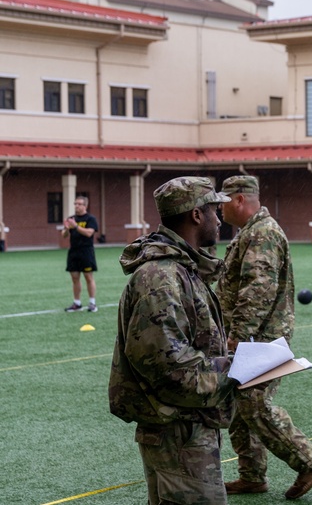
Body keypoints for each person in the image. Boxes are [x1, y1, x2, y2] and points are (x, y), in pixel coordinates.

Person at [108, 176, 237, 505]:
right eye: (214, 210)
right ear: (196, 215)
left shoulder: (182, 268)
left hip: (186, 426)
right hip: (176, 431)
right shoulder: (162, 277)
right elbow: (169, 369)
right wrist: (235, 372)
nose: (219, 219)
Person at [217, 175, 312, 499]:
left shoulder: (262, 233)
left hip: (262, 339)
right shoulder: (251, 232)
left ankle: (310, 460)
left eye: (223, 203)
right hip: (254, 336)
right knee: (239, 405)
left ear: (239, 200)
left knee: (253, 405)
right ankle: (252, 475)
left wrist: (238, 335)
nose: (220, 210)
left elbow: (258, 288)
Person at [62, 195, 99, 312]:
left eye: (79, 204)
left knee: (88, 277)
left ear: (85, 206)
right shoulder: (71, 218)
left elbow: (89, 233)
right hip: (73, 251)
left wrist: (76, 226)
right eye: (75, 204)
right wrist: (67, 228)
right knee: (74, 278)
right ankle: (77, 303)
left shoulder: (90, 219)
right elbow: (64, 235)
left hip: (86, 251)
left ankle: (92, 303)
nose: (76, 206)